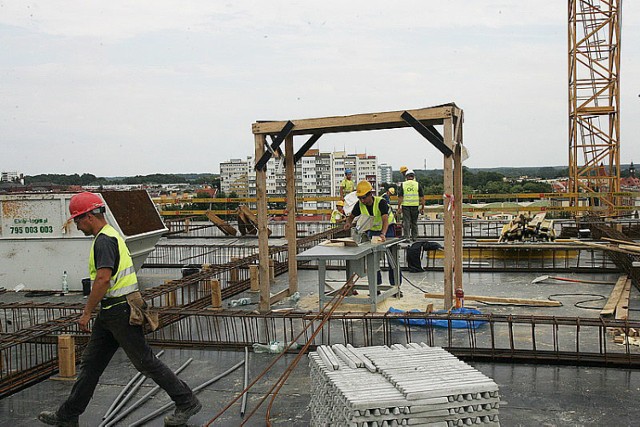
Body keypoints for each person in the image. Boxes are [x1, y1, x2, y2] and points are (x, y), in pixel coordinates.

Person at [38, 192, 201, 427]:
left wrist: (86, 313)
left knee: (145, 361)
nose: (77, 225)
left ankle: (186, 402)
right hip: (112, 310)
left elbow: (103, 279)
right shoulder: (111, 234)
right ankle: (68, 415)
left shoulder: (104, 240)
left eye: (77, 220)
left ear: (89, 217)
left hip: (120, 310)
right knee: (91, 364)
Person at [343, 181, 399, 286]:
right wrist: (348, 223)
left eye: (364, 197)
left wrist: (383, 233)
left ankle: (395, 285)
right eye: (360, 198)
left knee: (392, 258)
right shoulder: (359, 205)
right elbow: (351, 217)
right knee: (373, 260)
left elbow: (385, 220)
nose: (362, 200)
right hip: (373, 231)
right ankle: (375, 286)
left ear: (370, 194)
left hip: (388, 229)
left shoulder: (380, 202)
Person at [397, 169, 424, 242]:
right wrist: (422, 208)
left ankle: (407, 238)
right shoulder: (417, 184)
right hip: (415, 205)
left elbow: (400, 197)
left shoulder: (403, 184)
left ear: (406, 176)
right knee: (414, 222)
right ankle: (414, 238)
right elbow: (422, 198)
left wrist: (399, 207)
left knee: (406, 222)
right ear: (413, 176)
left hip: (406, 205)